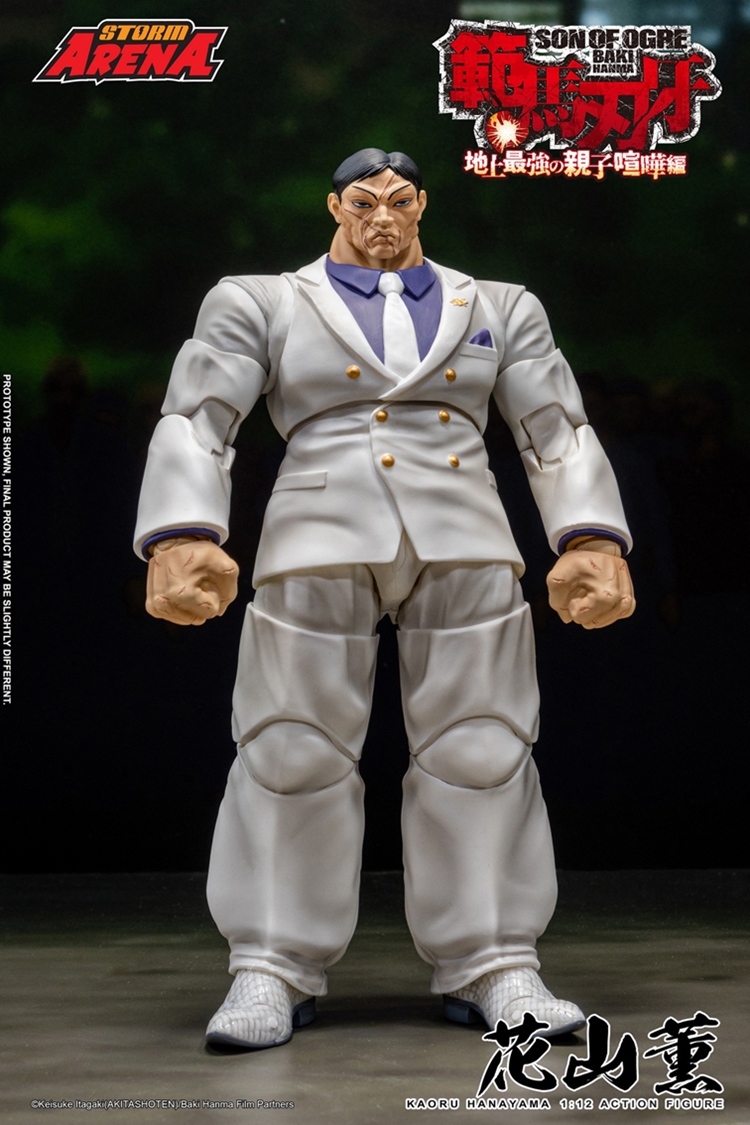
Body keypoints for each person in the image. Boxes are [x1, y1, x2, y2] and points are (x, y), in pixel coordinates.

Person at [134, 148, 634, 1050]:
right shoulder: (262, 301)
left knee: (485, 741)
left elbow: (555, 428)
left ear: (423, 203)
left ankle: (494, 955)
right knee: (287, 741)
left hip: (464, 529)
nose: (383, 217)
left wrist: (590, 535)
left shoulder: (499, 304)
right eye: (365, 201)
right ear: (335, 205)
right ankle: (271, 961)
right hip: (317, 529)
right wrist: (181, 531)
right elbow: (199, 416)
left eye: (399, 200)